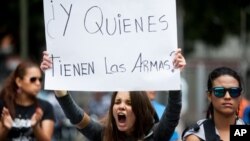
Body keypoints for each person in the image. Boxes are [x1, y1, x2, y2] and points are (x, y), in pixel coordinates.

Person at [40, 48, 186, 141]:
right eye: (117, 102)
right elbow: (76, 116)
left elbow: (173, 111)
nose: (121, 107)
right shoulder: (104, 135)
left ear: (140, 109)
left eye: (128, 103)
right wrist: (58, 84)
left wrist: (174, 76)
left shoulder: (156, 135)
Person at [182, 67, 246, 141]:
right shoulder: (197, 136)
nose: (227, 97)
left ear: (240, 96)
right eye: (219, 91)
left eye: (234, 91)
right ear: (209, 95)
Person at [0, 60, 55, 141]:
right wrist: (5, 128)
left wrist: (36, 127)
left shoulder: (46, 106)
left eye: (40, 79)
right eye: (33, 79)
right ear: (19, 81)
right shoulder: (4, 105)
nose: (38, 83)